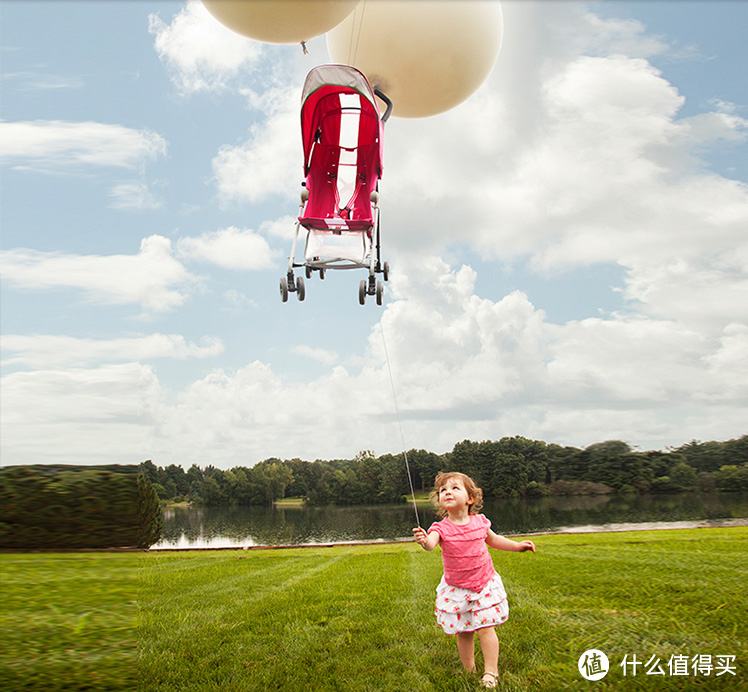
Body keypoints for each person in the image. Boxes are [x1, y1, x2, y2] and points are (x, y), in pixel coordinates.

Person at [413, 472, 536, 689]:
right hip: (457, 587)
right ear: (440, 500)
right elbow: (431, 544)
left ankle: (491, 672)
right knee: (464, 631)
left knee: (486, 627)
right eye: (443, 490)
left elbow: (495, 540)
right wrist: (424, 540)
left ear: (470, 498)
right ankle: (469, 669)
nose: (447, 492)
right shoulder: (440, 527)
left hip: (483, 584)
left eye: (454, 488)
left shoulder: (479, 522)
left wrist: (517, 546)